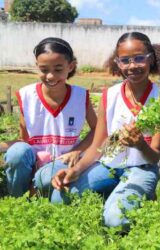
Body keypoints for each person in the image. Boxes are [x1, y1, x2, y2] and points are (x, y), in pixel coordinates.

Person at [51, 32, 160, 229]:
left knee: (115, 221)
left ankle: (139, 193)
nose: (132, 66)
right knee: (58, 198)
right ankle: (115, 192)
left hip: (141, 168)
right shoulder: (110, 95)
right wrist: (76, 170)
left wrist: (140, 145)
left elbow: (154, 157)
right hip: (108, 166)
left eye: (140, 58)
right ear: (118, 63)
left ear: (152, 58)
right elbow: (98, 145)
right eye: (125, 60)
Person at [0, 37, 97, 197]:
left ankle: (36, 189)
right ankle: (17, 198)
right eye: (44, 69)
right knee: (16, 153)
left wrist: (77, 151)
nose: (50, 76)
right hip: (33, 159)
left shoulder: (80, 96)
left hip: (63, 160)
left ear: (70, 66)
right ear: (37, 67)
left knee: (47, 176)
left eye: (58, 69)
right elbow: (23, 141)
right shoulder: (26, 95)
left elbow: (96, 130)